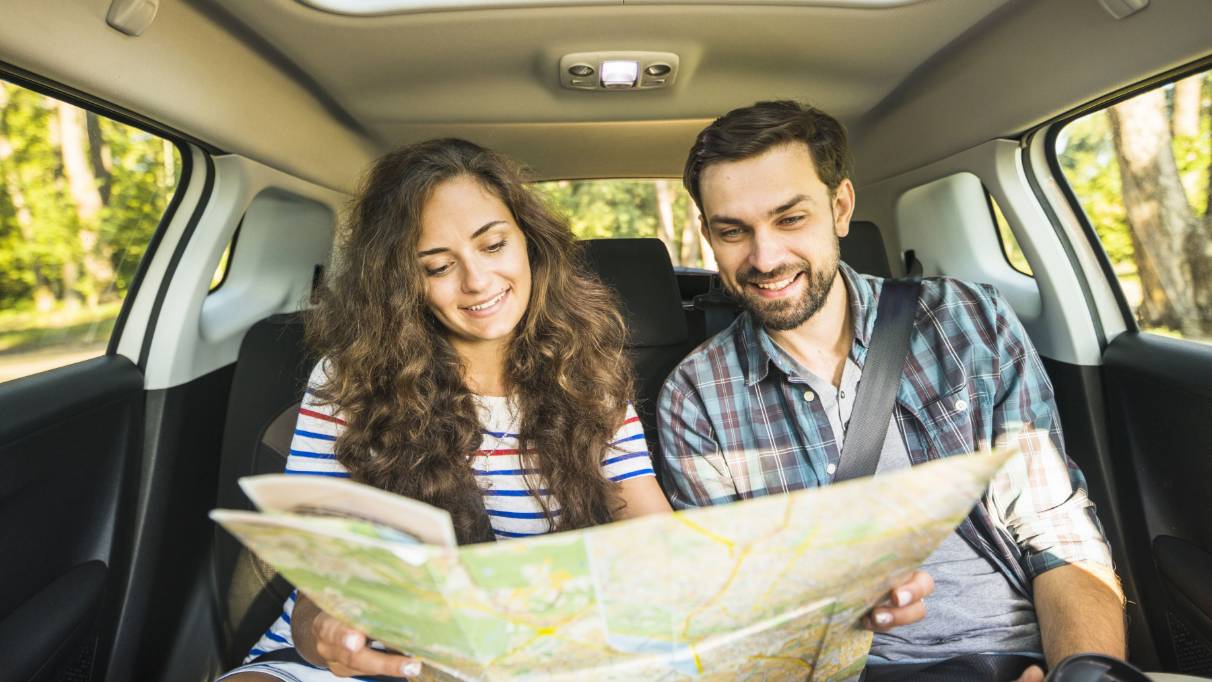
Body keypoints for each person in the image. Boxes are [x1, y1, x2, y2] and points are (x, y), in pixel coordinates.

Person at [658, 101, 1125, 681]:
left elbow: (1057, 532)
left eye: (790, 218)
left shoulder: (969, 321)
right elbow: (729, 612)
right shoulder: (696, 395)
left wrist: (1078, 673)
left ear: (840, 207)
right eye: (733, 231)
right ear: (708, 235)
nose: (765, 257)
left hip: (1019, 661)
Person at [220, 138, 671, 681]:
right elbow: (321, 576)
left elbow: (652, 535)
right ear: (401, 283)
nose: (476, 281)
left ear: (529, 242)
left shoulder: (589, 374)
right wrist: (326, 638)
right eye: (437, 266)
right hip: (376, 656)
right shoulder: (347, 380)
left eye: (493, 245)